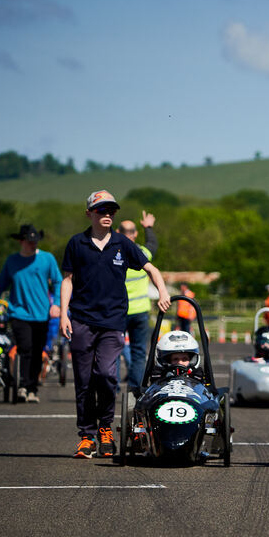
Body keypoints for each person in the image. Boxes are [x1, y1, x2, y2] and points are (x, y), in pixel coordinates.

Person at [61, 190, 170, 459]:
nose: (108, 214)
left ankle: (105, 428)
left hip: (113, 321)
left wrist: (163, 292)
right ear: (89, 213)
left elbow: (151, 268)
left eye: (111, 210)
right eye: (102, 210)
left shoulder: (123, 243)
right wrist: (64, 314)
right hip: (82, 320)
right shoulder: (76, 243)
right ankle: (87, 436)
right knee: (84, 380)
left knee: (107, 375)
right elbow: (67, 280)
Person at [0, 225, 62, 403]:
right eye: (29, 241)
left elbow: (58, 282)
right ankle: (22, 385)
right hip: (18, 312)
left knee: (38, 350)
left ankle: (32, 388)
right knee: (25, 347)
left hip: (42, 313)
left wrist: (57, 305)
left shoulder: (47, 259)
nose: (33, 244)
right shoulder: (12, 261)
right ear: (21, 241)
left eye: (35, 241)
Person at [116, 211, 159, 394]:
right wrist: (147, 227)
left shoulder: (114, 254)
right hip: (140, 311)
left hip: (118, 311)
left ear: (118, 232)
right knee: (139, 353)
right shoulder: (143, 254)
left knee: (114, 350)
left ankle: (113, 387)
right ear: (134, 234)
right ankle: (136, 389)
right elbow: (153, 244)